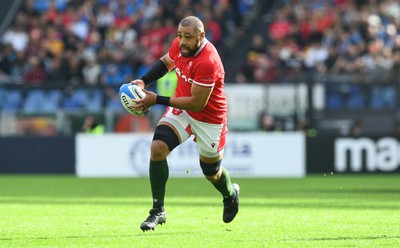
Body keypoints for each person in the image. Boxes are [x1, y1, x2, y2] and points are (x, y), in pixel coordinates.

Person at [130, 16, 240, 232]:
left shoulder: (209, 61)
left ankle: (230, 194)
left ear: (202, 37)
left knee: (211, 172)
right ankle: (157, 210)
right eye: (180, 35)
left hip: (209, 118)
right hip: (182, 108)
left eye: (188, 37)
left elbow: (198, 103)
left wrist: (156, 99)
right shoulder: (181, 45)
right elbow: (166, 62)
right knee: (158, 148)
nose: (182, 41)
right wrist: (144, 80)